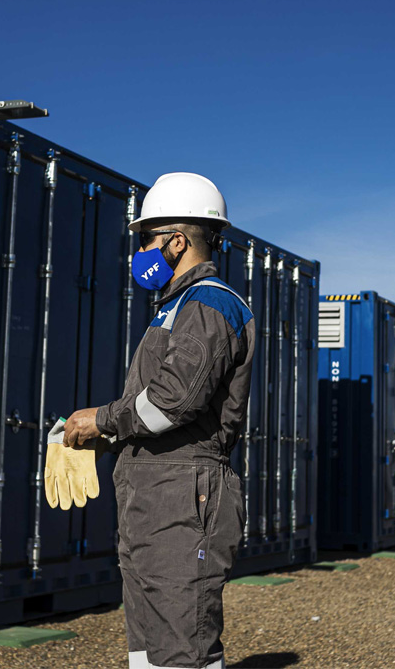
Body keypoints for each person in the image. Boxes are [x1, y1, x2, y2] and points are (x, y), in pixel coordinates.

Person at [60, 172, 255, 669]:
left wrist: (102, 422)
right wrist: (102, 436)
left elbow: (174, 401)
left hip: (183, 496)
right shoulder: (174, 307)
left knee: (182, 647)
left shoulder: (208, 304)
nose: (141, 250)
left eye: (146, 238)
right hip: (156, 494)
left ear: (176, 241)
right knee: (149, 652)